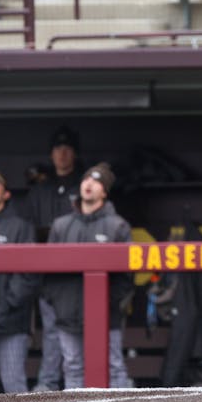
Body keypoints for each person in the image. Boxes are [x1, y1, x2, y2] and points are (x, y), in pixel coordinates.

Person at [41, 163, 134, 389]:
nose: (89, 184)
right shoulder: (61, 225)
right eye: (86, 180)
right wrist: (58, 301)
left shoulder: (118, 226)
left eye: (96, 181)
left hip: (107, 315)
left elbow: (127, 277)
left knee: (114, 368)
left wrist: (110, 302)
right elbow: (47, 271)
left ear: (105, 192)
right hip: (68, 313)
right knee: (72, 367)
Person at [26, 125, 83, 392]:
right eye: (58, 149)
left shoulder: (83, 187)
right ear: (51, 154)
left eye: (67, 149)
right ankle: (48, 383)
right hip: (49, 275)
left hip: (79, 274)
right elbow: (29, 232)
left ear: (74, 153)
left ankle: (82, 386)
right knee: (51, 330)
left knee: (81, 329)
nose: (62, 154)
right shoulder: (40, 190)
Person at [0, 170, 39, 394]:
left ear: (6, 194)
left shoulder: (20, 226)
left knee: (13, 385)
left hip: (11, 321)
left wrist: (8, 305)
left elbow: (29, 274)